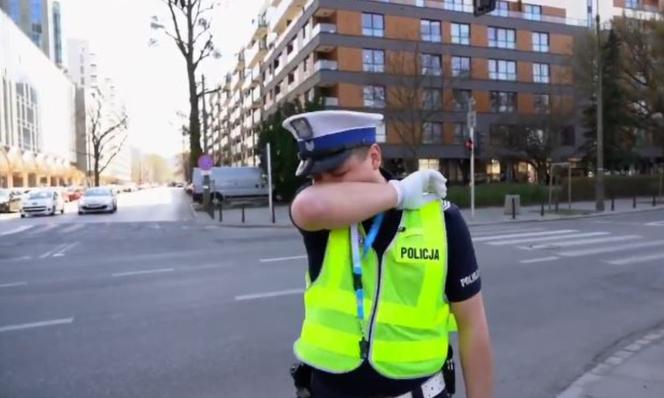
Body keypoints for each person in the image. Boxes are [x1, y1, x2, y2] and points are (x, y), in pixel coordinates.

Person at [285, 110, 493, 398]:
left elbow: (473, 325)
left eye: (337, 174)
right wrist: (399, 193)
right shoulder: (323, 219)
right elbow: (310, 206)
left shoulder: (442, 221)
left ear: (374, 157)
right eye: (317, 178)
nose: (327, 187)